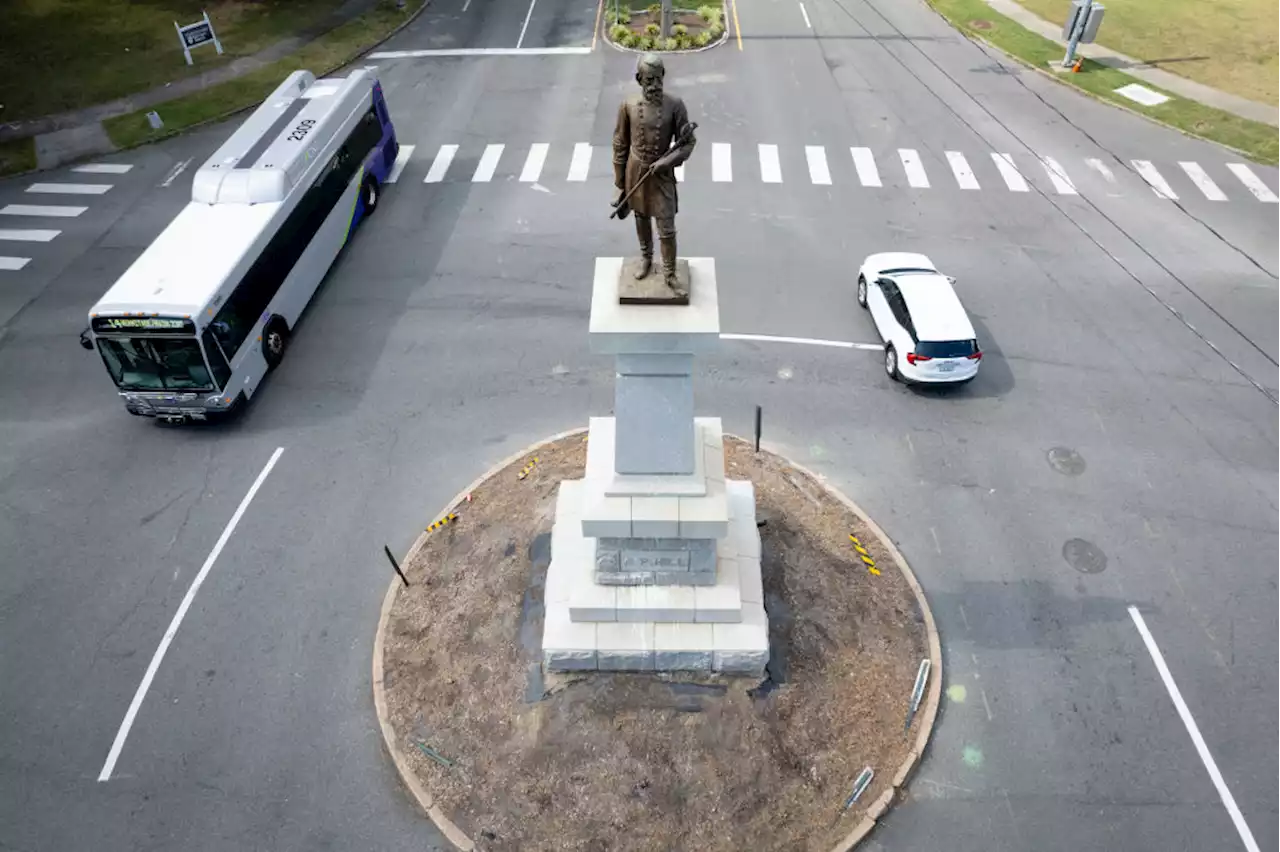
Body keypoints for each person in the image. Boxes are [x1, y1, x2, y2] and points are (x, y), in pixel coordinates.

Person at [612, 53, 697, 296]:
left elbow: (687, 143)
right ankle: (646, 258)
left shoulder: (675, 105)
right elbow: (620, 144)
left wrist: (666, 162)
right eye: (649, 80)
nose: (654, 85)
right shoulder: (627, 105)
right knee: (641, 217)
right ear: (639, 79)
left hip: (661, 175)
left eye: (658, 79)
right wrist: (620, 184)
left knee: (667, 228)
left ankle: (669, 272)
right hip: (636, 171)